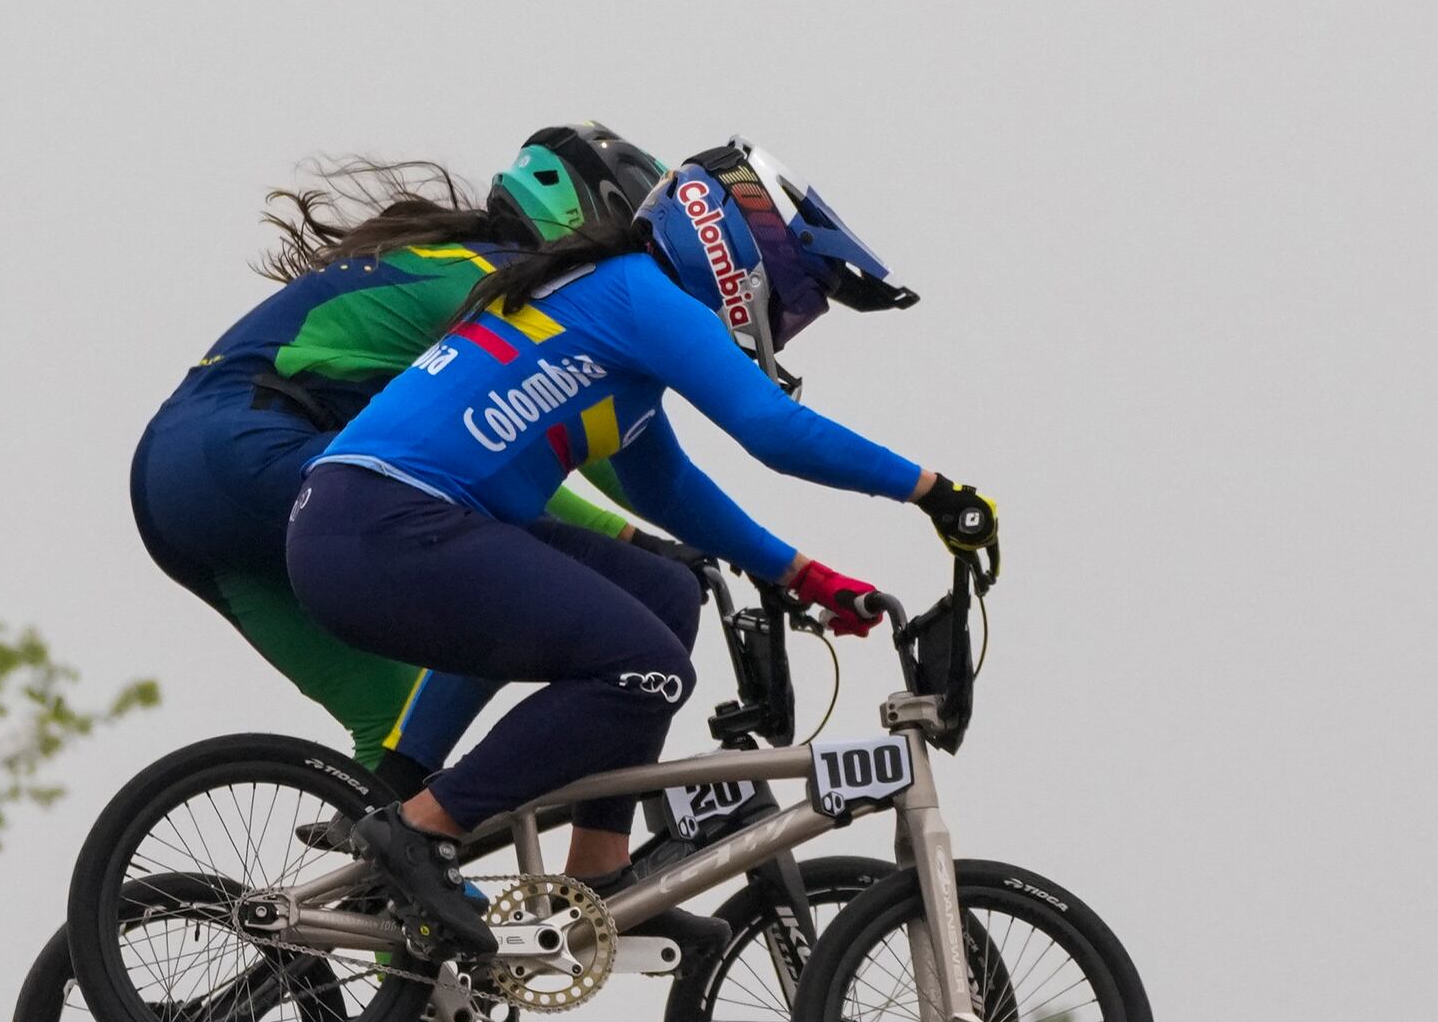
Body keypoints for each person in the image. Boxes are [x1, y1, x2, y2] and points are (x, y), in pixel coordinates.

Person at [287, 139, 998, 957]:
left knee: (664, 593)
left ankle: (599, 869)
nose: (791, 320)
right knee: (645, 669)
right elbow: (770, 428)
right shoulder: (637, 292)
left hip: (371, 525)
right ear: (732, 244)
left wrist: (804, 575)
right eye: (797, 294)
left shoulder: (608, 310)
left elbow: (669, 491)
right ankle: (419, 827)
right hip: (384, 524)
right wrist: (936, 491)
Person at [130, 125, 684, 798]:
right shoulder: (485, 276)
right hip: (245, 450)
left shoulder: (450, 258)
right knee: (503, 561)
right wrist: (634, 539)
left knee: (394, 740)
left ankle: (378, 894)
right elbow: (557, 442)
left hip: (182, 485)